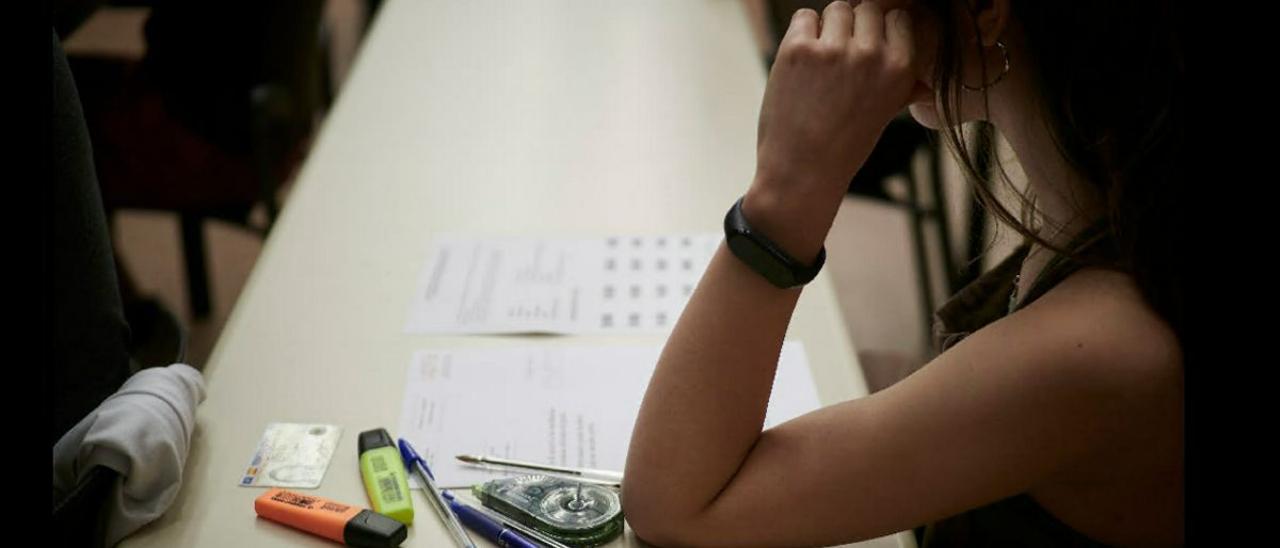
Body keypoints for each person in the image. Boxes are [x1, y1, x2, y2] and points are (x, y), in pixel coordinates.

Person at [623, 0, 1184, 545]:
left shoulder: (1103, 344)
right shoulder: (1107, 202)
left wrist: (787, 194)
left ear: (986, 10)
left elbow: (676, 507)